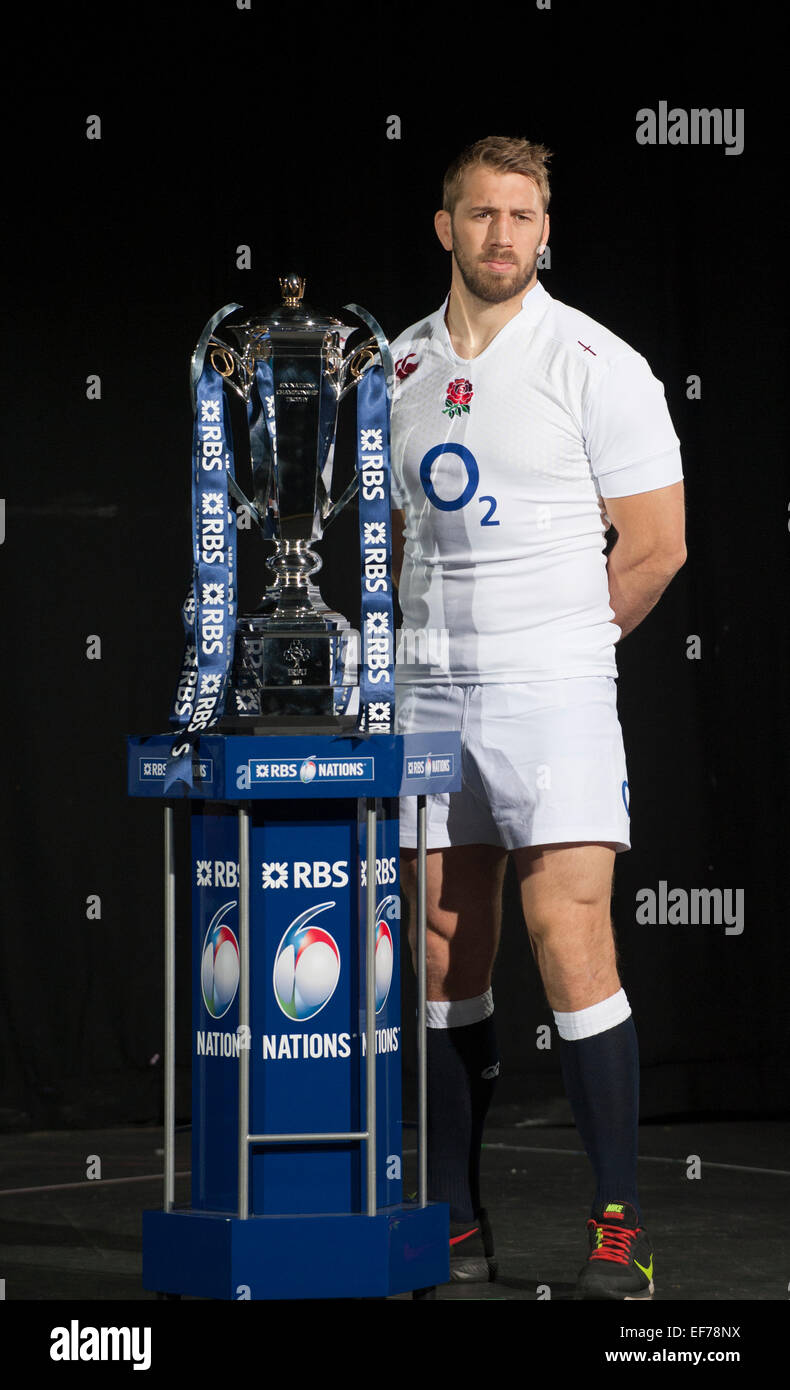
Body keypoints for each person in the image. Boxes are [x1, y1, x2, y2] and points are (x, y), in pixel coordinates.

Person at [389, 135, 686, 1300]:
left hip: (554, 688)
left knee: (570, 941)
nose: (502, 235)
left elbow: (656, 547)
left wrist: (561, 652)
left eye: (523, 216)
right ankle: (458, 1225)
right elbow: (393, 541)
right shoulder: (392, 368)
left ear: (544, 231)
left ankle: (618, 1228)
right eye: (481, 214)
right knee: (443, 949)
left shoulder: (598, 362)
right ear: (445, 226)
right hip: (423, 688)